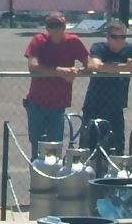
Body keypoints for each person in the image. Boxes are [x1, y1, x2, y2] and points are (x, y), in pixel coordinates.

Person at [80, 19, 132, 155]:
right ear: (108, 37)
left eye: (122, 37)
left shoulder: (131, 50)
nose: (119, 40)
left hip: (116, 108)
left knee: (116, 150)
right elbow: (96, 65)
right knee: (89, 148)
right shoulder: (99, 48)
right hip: (94, 105)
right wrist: (124, 67)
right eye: (114, 37)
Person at [22, 12, 90, 159]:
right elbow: (33, 66)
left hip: (59, 103)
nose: (55, 29)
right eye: (51, 25)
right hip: (37, 101)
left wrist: (75, 71)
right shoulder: (39, 40)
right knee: (37, 143)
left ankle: (53, 171)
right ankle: (37, 171)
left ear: (64, 26)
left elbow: (89, 64)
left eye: (58, 25)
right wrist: (60, 71)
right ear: (46, 27)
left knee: (55, 144)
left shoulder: (73, 41)